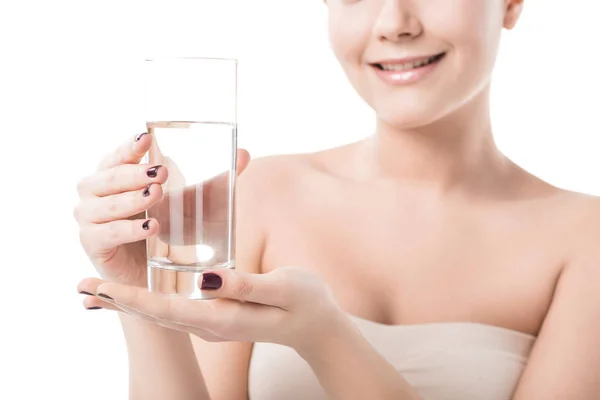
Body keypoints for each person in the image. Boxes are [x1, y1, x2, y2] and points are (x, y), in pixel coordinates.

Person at [73, 0, 600, 399]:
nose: (394, 21)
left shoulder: (585, 240)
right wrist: (143, 301)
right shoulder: (260, 195)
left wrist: (324, 337)